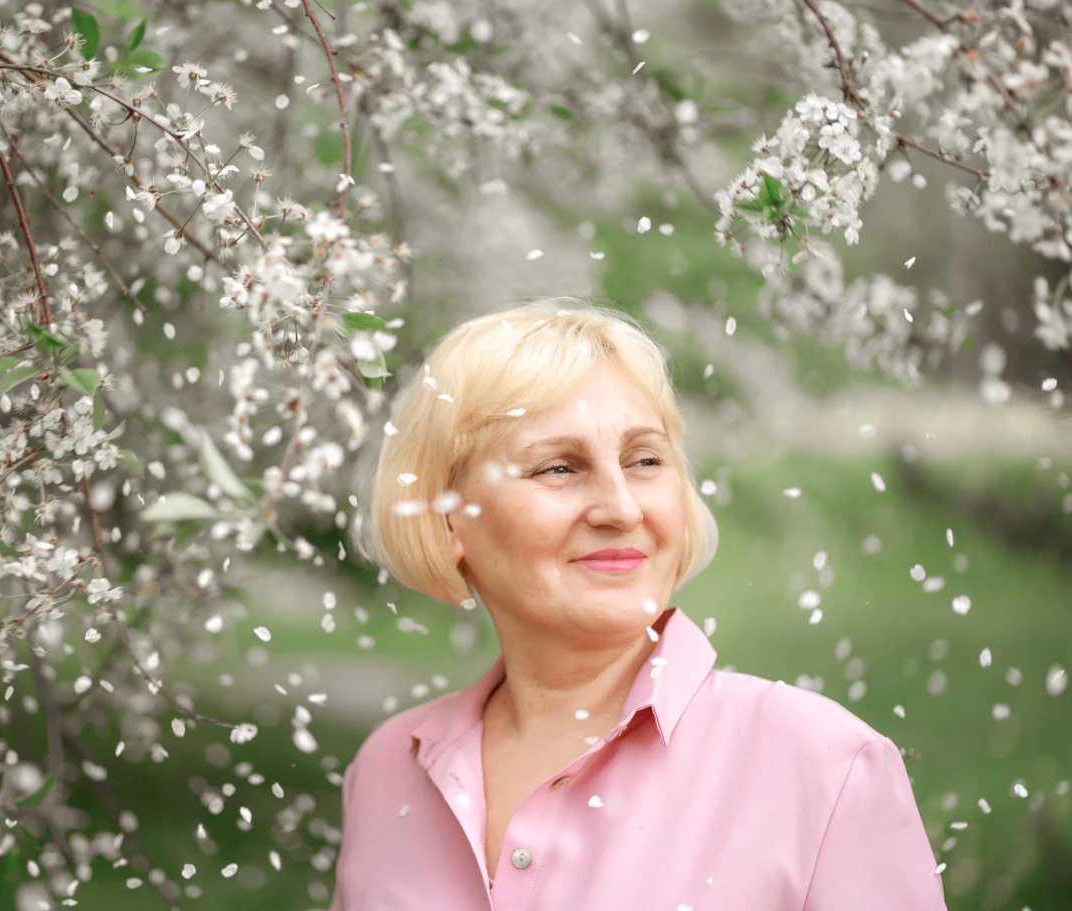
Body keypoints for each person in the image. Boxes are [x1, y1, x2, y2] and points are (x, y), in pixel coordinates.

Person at [332, 297, 947, 910]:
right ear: (448, 518)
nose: (622, 508)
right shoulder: (387, 770)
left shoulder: (825, 765)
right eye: (558, 468)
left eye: (645, 460)